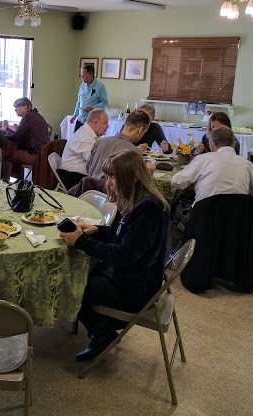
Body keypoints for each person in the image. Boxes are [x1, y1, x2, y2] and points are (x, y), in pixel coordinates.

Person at [60, 149, 170, 361]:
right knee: (79, 276)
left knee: (72, 283)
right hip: (129, 277)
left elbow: (125, 254)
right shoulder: (133, 199)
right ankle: (101, 328)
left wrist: (82, 242)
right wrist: (97, 231)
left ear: (135, 176)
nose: (108, 183)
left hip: (135, 288)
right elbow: (122, 236)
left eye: (113, 177)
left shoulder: (149, 209)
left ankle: (103, 332)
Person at [171, 126, 253, 206]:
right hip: (237, 222)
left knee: (175, 207)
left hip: (203, 220)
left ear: (211, 145)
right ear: (233, 144)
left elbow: (177, 182)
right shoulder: (247, 164)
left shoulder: (203, 159)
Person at [86, 110, 150, 179]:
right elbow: (139, 180)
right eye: (144, 132)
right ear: (140, 130)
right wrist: (149, 170)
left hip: (91, 187)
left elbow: (88, 168)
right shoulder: (133, 152)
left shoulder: (100, 142)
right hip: (111, 189)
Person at [58, 109, 109, 189]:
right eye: (105, 123)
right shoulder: (83, 137)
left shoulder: (91, 135)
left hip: (77, 174)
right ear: (95, 123)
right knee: (107, 184)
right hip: (71, 176)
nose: (108, 126)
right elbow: (95, 161)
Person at [2, 97, 50, 181]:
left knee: (7, 155)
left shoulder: (28, 117)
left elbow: (15, 137)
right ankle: (19, 181)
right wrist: (17, 128)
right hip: (43, 153)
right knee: (15, 152)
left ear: (25, 106)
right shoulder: (36, 115)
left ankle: (7, 182)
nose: (15, 110)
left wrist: (6, 128)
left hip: (35, 155)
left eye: (17, 107)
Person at [70, 63, 108, 132]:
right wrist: (75, 115)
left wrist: (92, 108)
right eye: (81, 76)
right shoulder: (82, 86)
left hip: (92, 122)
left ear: (90, 74)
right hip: (80, 119)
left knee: (89, 141)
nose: (82, 78)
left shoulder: (100, 86)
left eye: (84, 76)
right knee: (75, 140)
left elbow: (105, 102)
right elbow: (79, 101)